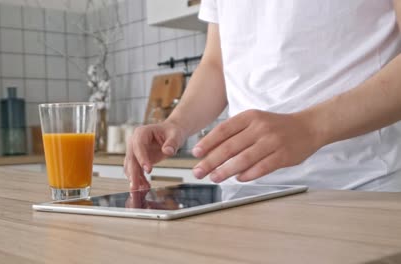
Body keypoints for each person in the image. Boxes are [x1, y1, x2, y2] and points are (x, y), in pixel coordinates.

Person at [124, 0, 401, 192]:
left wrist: (309, 127)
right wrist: (176, 124)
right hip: (242, 193)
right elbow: (216, 64)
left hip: (359, 186)